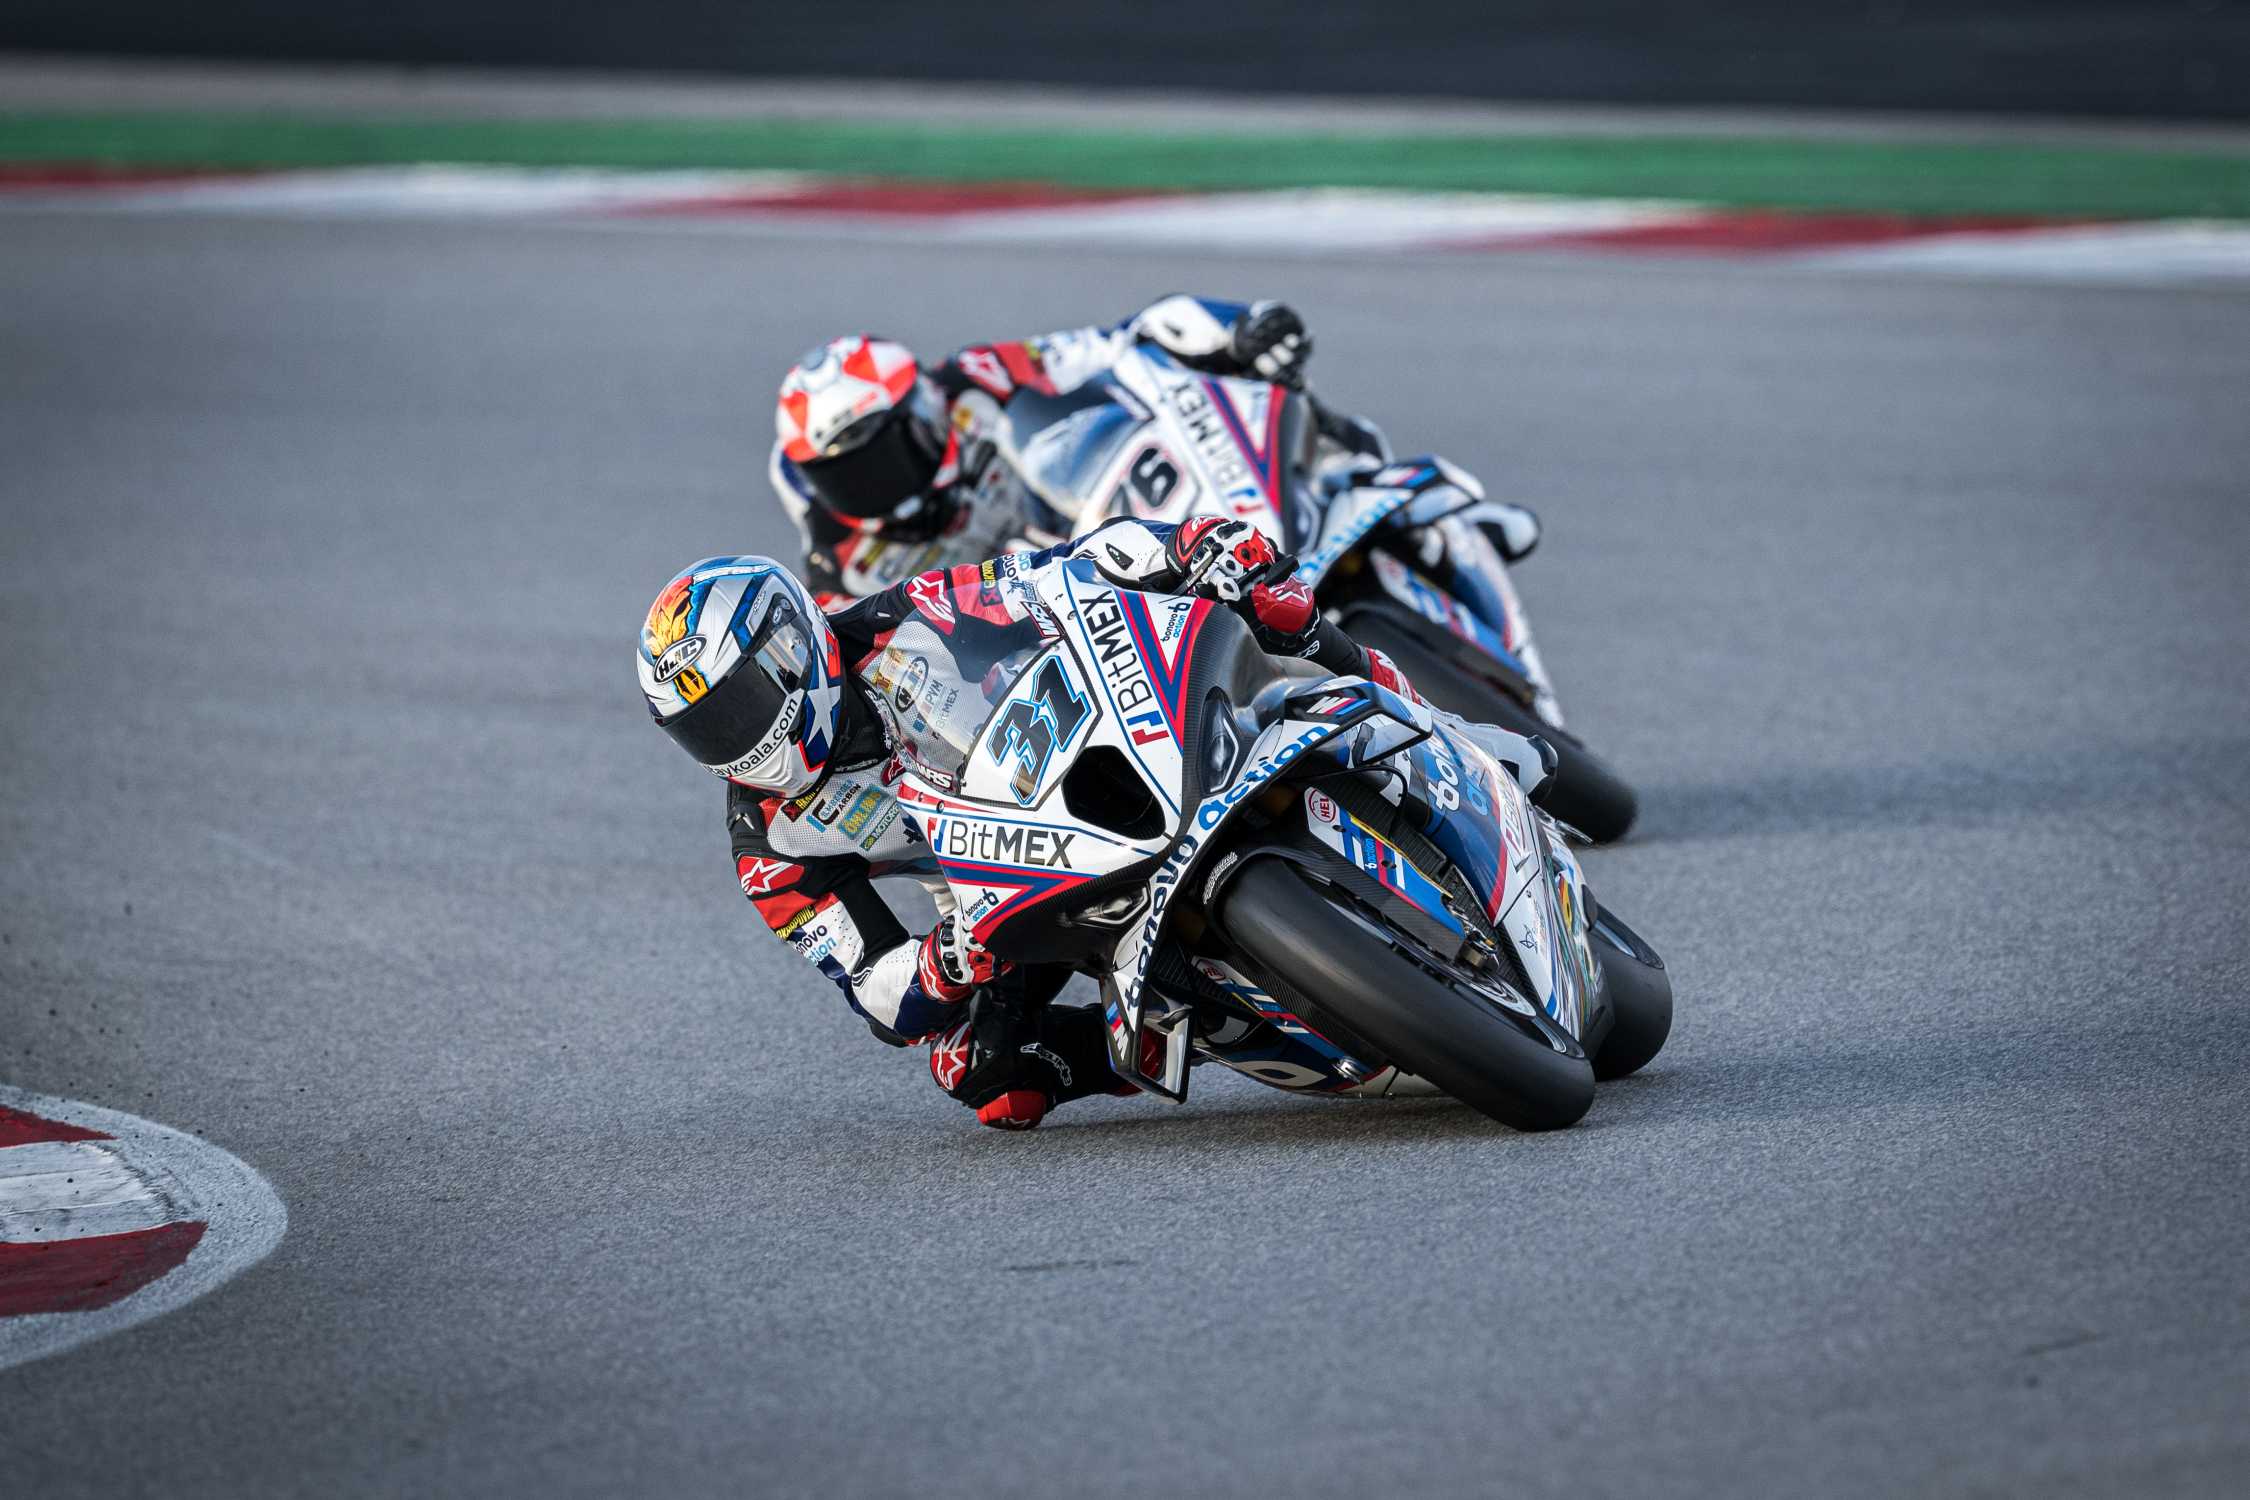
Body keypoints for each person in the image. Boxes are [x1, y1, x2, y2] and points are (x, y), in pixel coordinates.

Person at [637, 515, 1550, 1130]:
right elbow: (873, 987)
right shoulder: (770, 844)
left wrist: (1187, 546)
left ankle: (1446, 731)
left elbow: (1062, 569)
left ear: (791, 646)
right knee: (981, 1076)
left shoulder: (901, 617)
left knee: (1276, 606)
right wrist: (949, 958)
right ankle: (1199, 1029)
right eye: (705, 729)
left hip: (1091, 749)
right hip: (1002, 891)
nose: (737, 740)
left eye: (740, 703)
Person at [765, 296, 1539, 607]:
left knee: (1239, 374)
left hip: (1110, 510)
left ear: (920, 414)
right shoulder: (842, 563)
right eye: (837, 475)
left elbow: (1113, 342)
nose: (860, 488)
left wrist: (1231, 331)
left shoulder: (975, 379)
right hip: (1058, 620)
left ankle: (1410, 502)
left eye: (870, 458)